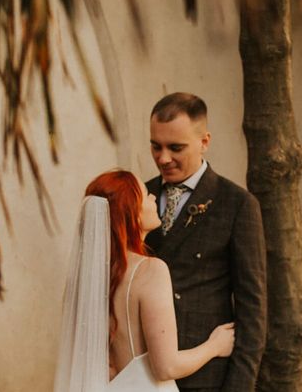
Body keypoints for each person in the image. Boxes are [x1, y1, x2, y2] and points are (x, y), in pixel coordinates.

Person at [54, 170, 235, 392]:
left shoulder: (91, 278)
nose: (153, 199)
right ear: (134, 214)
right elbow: (166, 368)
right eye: (146, 195)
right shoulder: (150, 270)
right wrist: (215, 346)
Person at [145, 92, 267, 392]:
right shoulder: (140, 198)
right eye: (155, 146)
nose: (163, 158)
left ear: (204, 141)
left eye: (176, 147)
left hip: (206, 381)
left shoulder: (237, 204)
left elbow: (253, 311)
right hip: (144, 374)